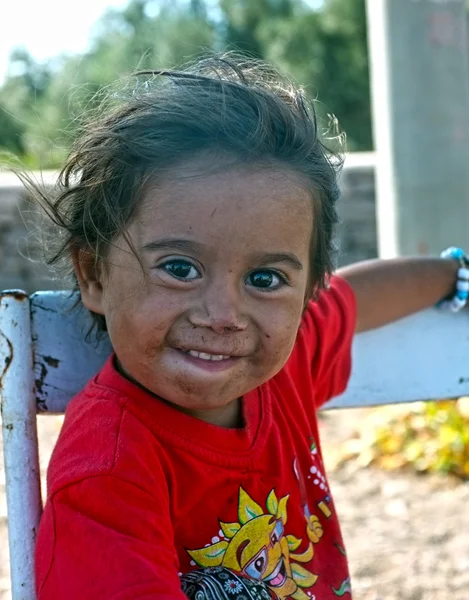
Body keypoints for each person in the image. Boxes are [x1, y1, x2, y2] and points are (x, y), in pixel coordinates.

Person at [32, 55, 464, 600]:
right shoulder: (109, 471)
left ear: (305, 291)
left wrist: (458, 274)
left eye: (264, 277)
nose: (223, 314)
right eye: (180, 269)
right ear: (94, 275)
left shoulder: (284, 367)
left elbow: (362, 295)